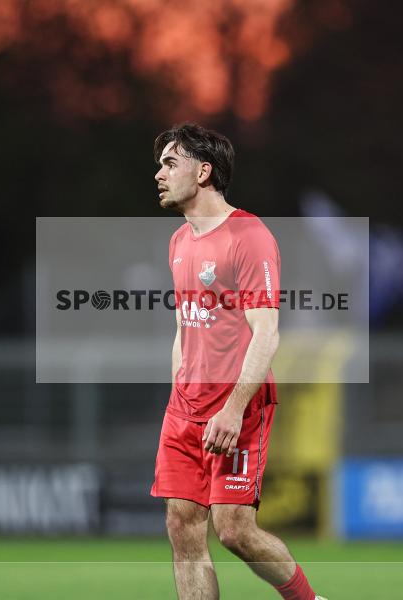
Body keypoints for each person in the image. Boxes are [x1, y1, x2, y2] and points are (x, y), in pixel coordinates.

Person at [149, 123, 324, 600]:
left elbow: (267, 333)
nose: (158, 173)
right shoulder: (179, 241)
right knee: (182, 529)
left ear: (203, 172)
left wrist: (232, 408)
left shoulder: (248, 235)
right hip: (185, 410)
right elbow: (184, 328)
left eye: (170, 163)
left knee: (233, 530)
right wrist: (176, 400)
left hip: (237, 407)